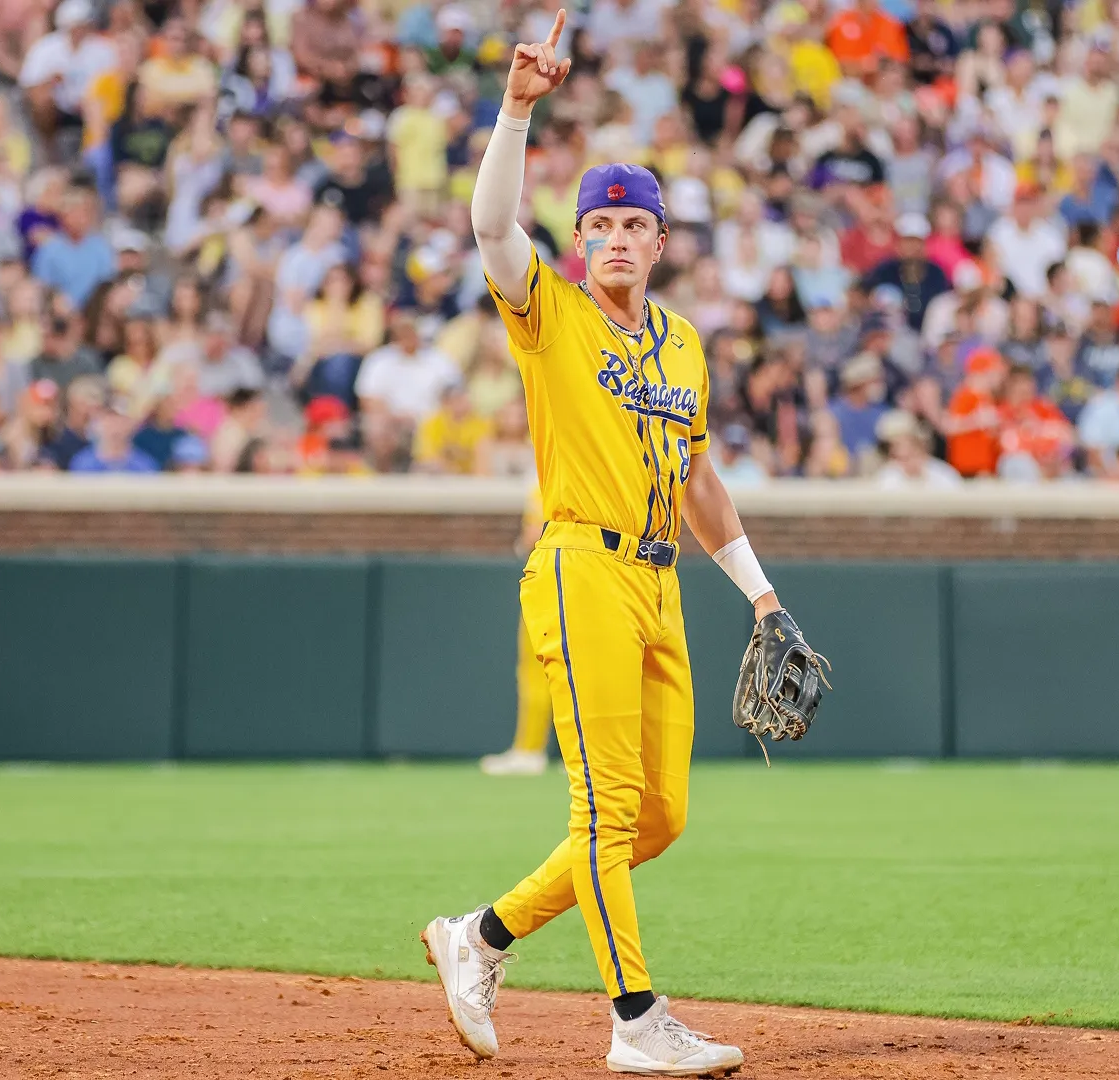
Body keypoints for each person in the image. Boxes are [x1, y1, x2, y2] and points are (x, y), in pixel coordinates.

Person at [423, 14, 821, 1076]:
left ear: (657, 240)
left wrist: (763, 598)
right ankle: (637, 1020)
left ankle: (481, 936)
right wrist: (516, 109)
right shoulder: (549, 310)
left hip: (660, 582)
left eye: (630, 225)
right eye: (597, 224)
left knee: (659, 818)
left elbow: (697, 478)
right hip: (578, 565)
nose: (611, 239)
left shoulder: (682, 341)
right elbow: (493, 228)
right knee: (603, 811)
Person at [480, 486, 554, 778]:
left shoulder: (548, 483)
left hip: (551, 580)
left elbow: (533, 535)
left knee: (537, 671)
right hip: (595, 580)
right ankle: (590, 753)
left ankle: (529, 750)